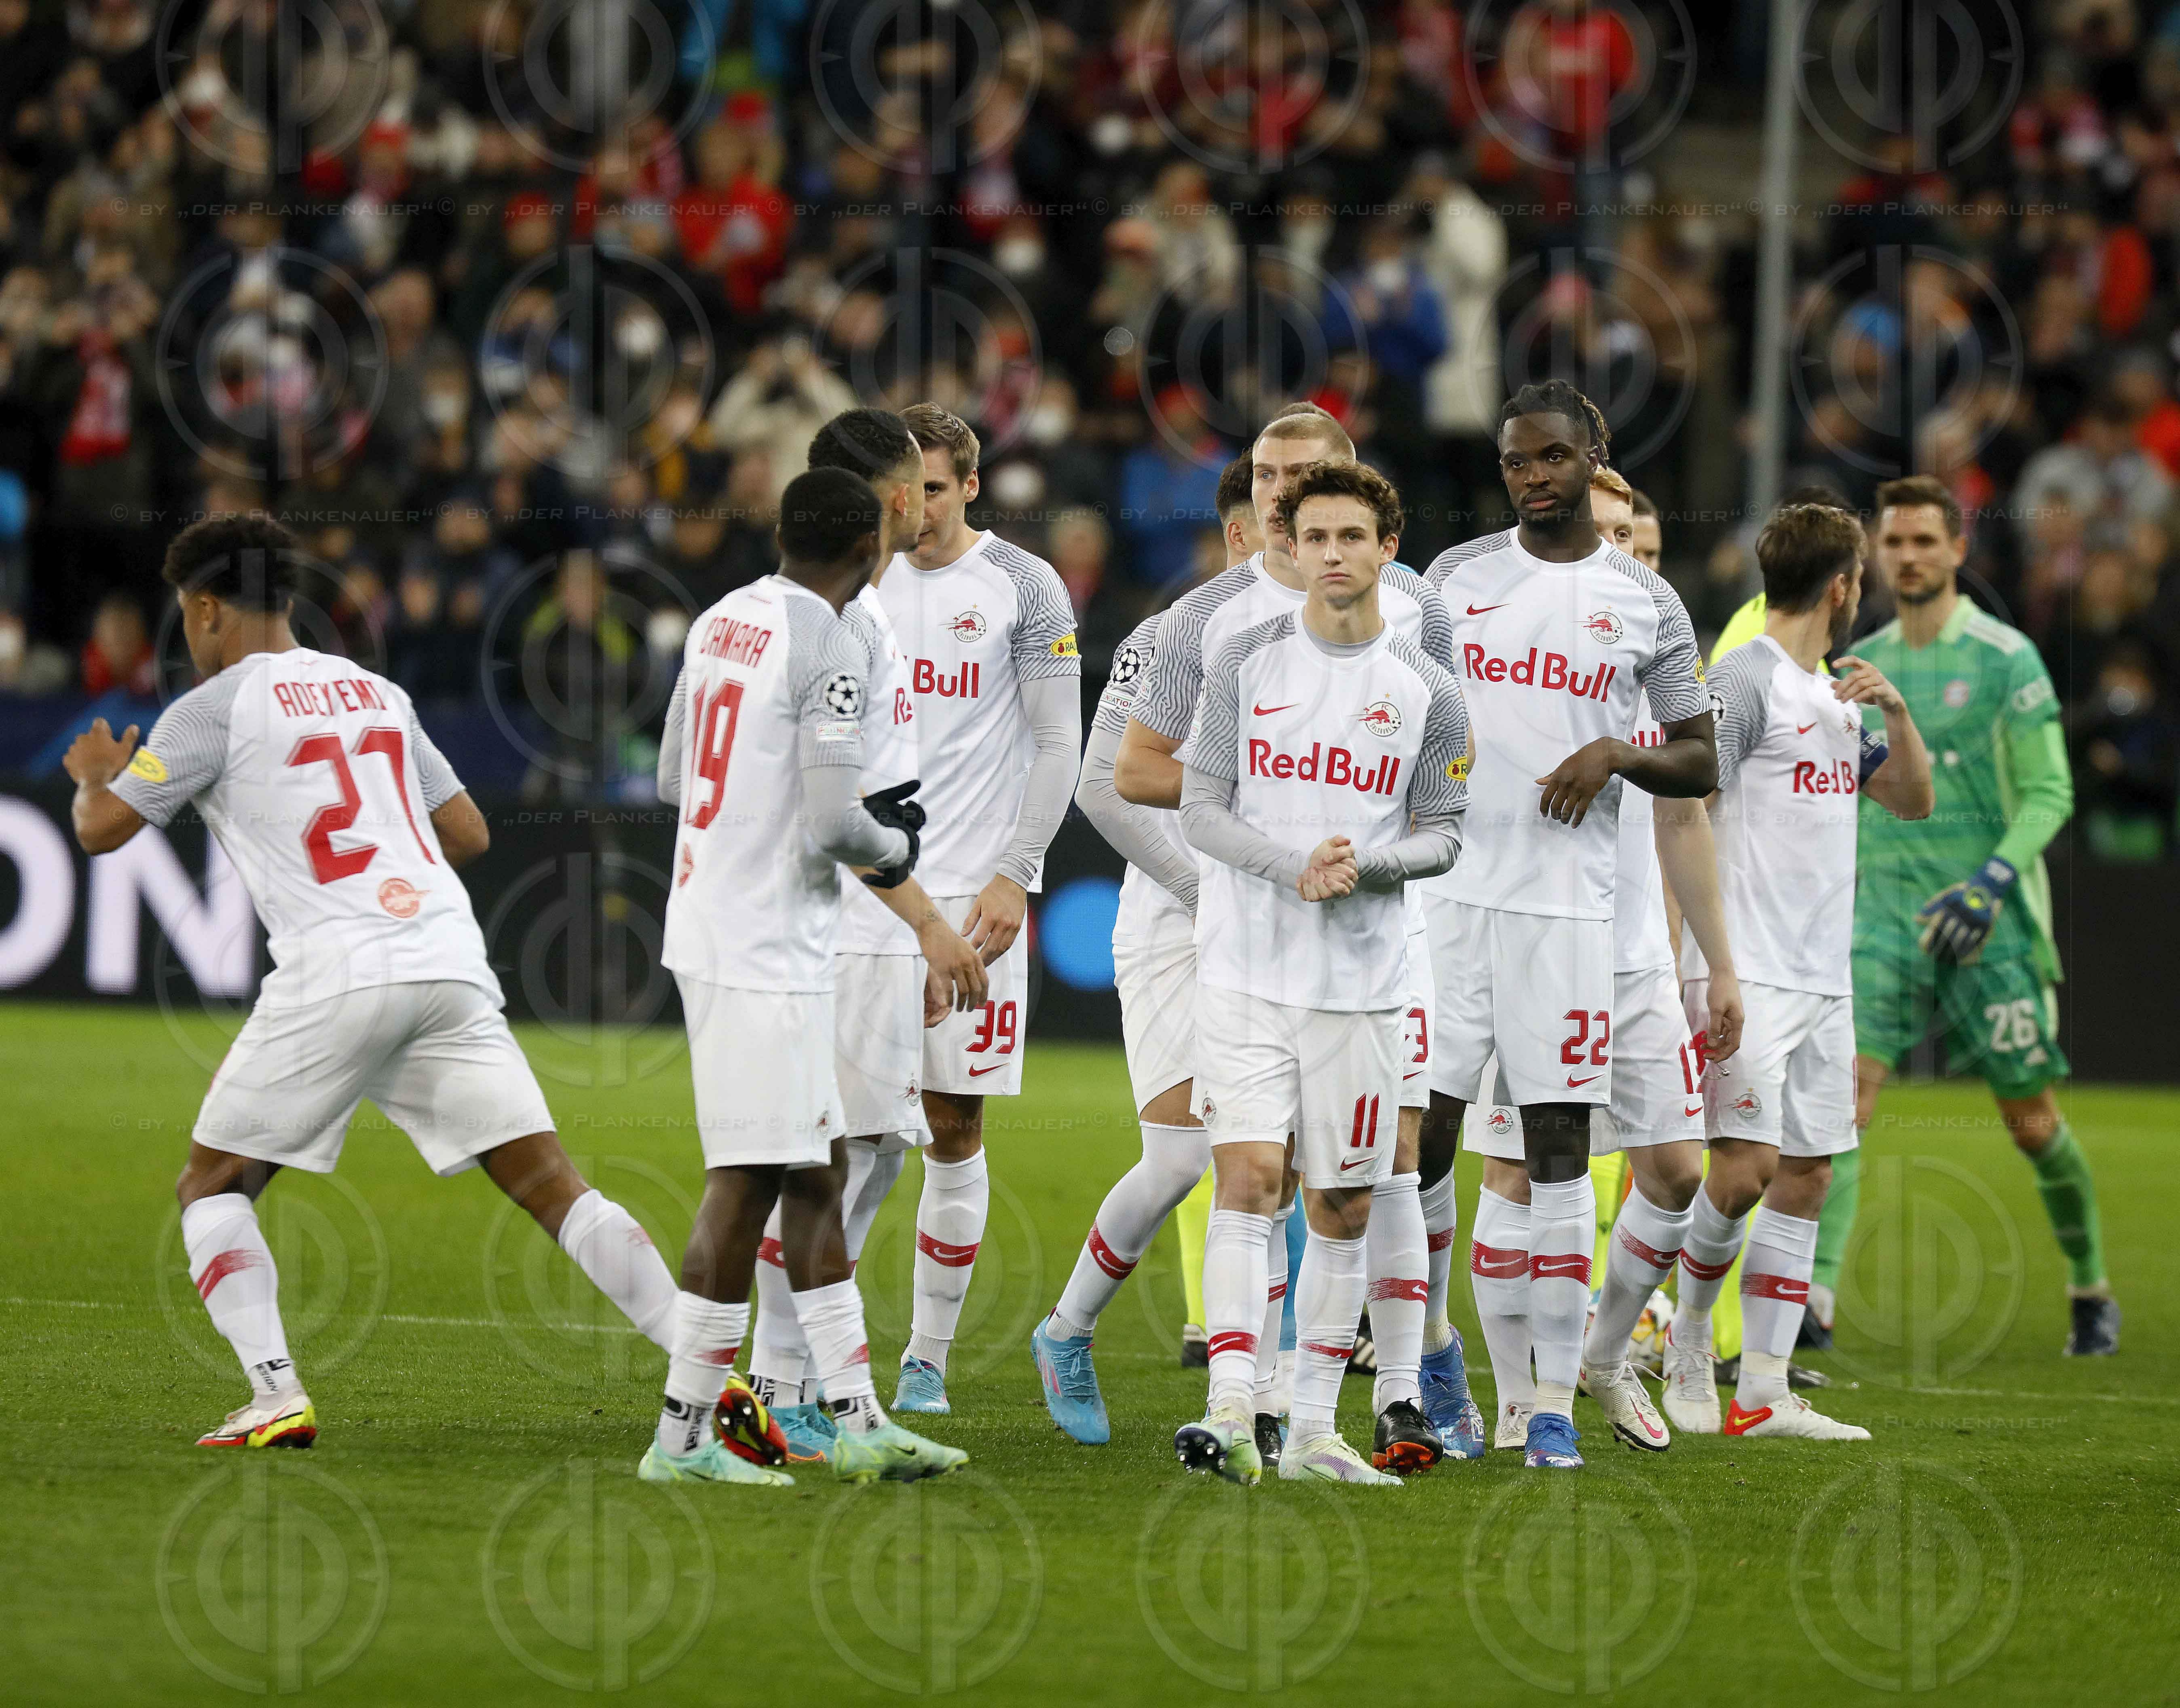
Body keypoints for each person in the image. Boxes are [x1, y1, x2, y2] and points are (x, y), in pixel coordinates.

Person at [62, 514, 687, 1452]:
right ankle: (705, 1369)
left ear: (206, 609)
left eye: (186, 613)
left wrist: (93, 778)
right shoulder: (377, 692)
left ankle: (274, 1392)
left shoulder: (211, 708)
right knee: (554, 1185)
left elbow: (103, 830)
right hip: (445, 956)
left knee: (212, 1184)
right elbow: (468, 831)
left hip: (338, 970)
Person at [1122, 404, 1474, 1473]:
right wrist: (1290, 867)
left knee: (1346, 1198)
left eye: (1349, 536)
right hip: (1243, 967)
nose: (1329, 553)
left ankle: (1319, 1427)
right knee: (1246, 1179)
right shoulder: (1238, 661)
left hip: (1362, 983)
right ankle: (1234, 1408)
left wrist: (1367, 867)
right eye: (1312, 534)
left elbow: (1446, 834)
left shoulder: (1429, 688)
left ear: (1386, 547)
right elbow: (1198, 806)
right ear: (1283, 537)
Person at [649, 466, 967, 1486]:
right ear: (870, 545)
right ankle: (680, 1438)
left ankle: (856, 1417)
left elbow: (670, 776)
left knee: (817, 1171)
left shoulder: (722, 619)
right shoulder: (829, 643)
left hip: (719, 921)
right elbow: (837, 823)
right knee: (746, 1184)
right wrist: (898, 845)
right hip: (764, 948)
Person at [1420, 380, 1715, 1471]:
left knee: (1558, 1157)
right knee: (1421, 1144)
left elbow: (1699, 757)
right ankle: (1425, 1357)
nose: (1533, 477)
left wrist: (1618, 754)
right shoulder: (1454, 580)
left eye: (1551, 457)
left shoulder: (1647, 601)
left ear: (1594, 453)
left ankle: (1549, 1406)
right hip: (1450, 901)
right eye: (1515, 461)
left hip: (1568, 914)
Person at [741, 409, 988, 1459]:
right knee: (833, 1157)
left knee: (869, 1148)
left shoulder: (772, 612)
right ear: (890, 498)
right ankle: (778, 1380)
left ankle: (791, 1379)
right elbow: (846, 810)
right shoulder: (849, 625)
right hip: (848, 920)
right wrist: (921, 924)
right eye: (912, 485)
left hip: (837, 921)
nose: (923, 503)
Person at [1663, 503, 1931, 1440]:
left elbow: (1911, 799)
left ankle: (1764, 1393)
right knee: (1741, 1171)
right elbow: (1684, 811)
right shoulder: (1742, 682)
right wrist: (1699, 963)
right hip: (1746, 971)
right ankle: (1687, 1339)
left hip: (1822, 978)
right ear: (1842, 587)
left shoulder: (1835, 696)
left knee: (1806, 1175)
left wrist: (1896, 714)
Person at [1846, 477, 2112, 1355]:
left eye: (1925, 540)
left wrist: (1989, 883)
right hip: (1882, 919)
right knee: (1843, 1107)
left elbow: (2050, 791)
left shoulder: (2006, 659)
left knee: (2029, 1122)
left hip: (1984, 920)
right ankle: (1810, 1308)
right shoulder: (1861, 667)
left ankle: (2089, 1286)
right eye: (1895, 542)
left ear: (1958, 550)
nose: (1908, 556)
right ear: (1876, 552)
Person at [1032, 456, 1256, 1447]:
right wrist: (1199, 888)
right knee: (1178, 1160)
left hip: (1282, 917)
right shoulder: (1170, 633)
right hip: (1177, 919)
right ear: (1238, 532)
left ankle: (1257, 1388)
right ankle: (1066, 1329)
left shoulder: (1340, 638)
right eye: (1278, 516)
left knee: (1277, 1158)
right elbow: (1099, 785)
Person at [876, 403, 1083, 1415]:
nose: (914, 507)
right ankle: (802, 1357)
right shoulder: (854, 580)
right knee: (844, 1126)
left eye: (932, 487)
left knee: (952, 1123)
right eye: (899, 488)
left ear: (967, 486)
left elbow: (1058, 742)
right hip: (865, 891)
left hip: (970, 894)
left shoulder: (1023, 584)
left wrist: (1014, 873)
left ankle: (925, 1361)